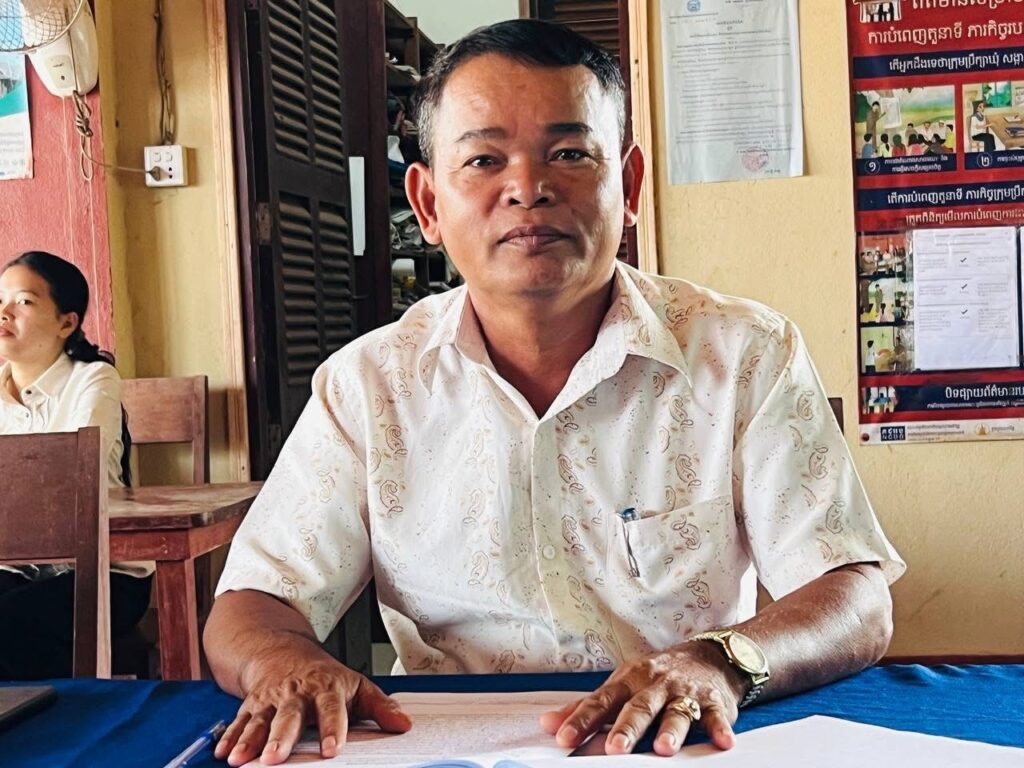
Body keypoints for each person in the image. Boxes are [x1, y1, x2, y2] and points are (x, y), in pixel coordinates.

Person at [205, 21, 904, 766]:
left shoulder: (742, 353)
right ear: (428, 203)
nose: (528, 189)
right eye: (483, 159)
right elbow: (253, 603)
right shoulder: (369, 385)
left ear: (628, 186)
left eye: (570, 154)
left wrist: (720, 661)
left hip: (677, 740)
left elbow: (853, 596)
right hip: (444, 747)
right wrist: (283, 661)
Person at [0, 251, 152, 679]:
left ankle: (55, 709)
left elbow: (69, 479)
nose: (5, 312)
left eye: (24, 301)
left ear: (66, 323)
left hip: (103, 573)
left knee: (10, 624)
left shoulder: (94, 378)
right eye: (1, 301)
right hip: (18, 569)